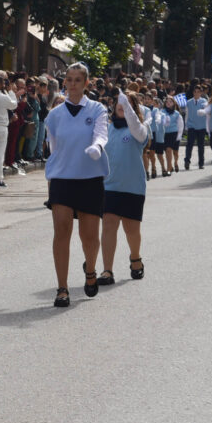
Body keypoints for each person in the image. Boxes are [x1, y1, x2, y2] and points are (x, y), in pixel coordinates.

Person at [43, 63, 109, 308]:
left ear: (86, 83)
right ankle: (62, 288)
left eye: (77, 80)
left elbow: (101, 133)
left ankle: (90, 270)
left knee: (89, 237)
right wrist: (55, 172)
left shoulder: (97, 109)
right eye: (69, 79)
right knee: (61, 232)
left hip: (90, 178)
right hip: (62, 178)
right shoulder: (55, 115)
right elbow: (53, 147)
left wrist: (97, 146)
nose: (72, 84)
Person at [97, 91, 148, 286]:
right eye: (119, 102)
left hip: (133, 187)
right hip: (109, 186)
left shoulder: (140, 130)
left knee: (131, 229)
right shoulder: (106, 129)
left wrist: (128, 109)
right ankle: (107, 270)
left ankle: (135, 258)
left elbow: (136, 128)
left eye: (127, 103)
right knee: (109, 225)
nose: (121, 105)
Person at [183, 83, 207, 170]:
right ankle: (187, 161)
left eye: (198, 92)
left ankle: (201, 163)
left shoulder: (204, 102)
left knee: (201, 145)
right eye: (195, 92)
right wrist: (186, 125)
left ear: (201, 93)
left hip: (201, 126)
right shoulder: (189, 102)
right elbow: (187, 114)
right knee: (189, 144)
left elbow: (207, 112)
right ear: (193, 92)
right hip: (191, 125)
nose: (196, 93)